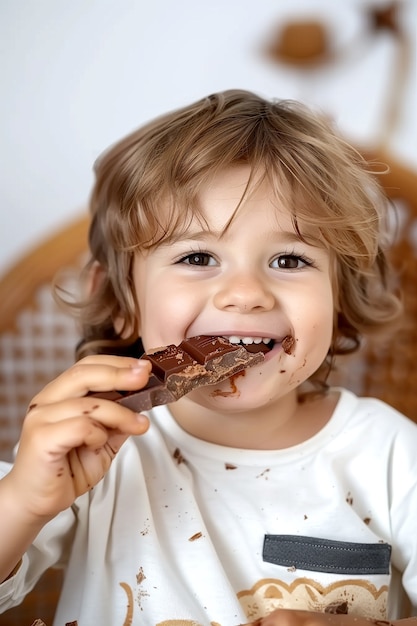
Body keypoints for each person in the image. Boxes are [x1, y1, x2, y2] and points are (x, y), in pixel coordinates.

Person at [0, 89, 416, 626]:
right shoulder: (96, 447)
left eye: (290, 259)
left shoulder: (388, 456)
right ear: (123, 302)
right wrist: (24, 499)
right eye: (198, 257)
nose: (245, 292)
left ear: (339, 303)